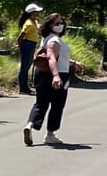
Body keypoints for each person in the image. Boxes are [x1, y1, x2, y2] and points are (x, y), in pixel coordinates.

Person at [22, 13, 82, 145]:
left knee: (41, 102)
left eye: (62, 23)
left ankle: (30, 125)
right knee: (57, 105)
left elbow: (56, 56)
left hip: (41, 73)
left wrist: (73, 63)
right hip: (58, 74)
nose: (60, 26)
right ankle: (50, 134)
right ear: (49, 25)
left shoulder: (46, 38)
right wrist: (56, 76)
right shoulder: (54, 40)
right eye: (57, 24)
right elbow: (51, 58)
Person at [16, 3, 43, 95]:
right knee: (24, 67)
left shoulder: (34, 22)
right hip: (28, 44)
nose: (38, 13)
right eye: (36, 11)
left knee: (27, 66)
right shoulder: (29, 23)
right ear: (32, 13)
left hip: (32, 44)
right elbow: (22, 34)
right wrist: (18, 43)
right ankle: (22, 88)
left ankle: (25, 87)